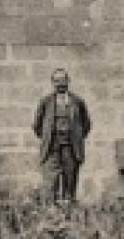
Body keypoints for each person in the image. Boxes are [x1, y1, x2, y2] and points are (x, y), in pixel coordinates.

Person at [32, 68, 92, 204]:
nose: (60, 83)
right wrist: (48, 137)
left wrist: (76, 138)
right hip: (52, 148)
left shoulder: (78, 101)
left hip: (70, 149)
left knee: (69, 182)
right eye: (57, 80)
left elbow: (86, 124)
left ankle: (69, 213)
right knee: (50, 183)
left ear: (68, 81)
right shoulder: (45, 102)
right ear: (52, 83)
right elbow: (37, 125)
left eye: (63, 80)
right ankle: (51, 213)